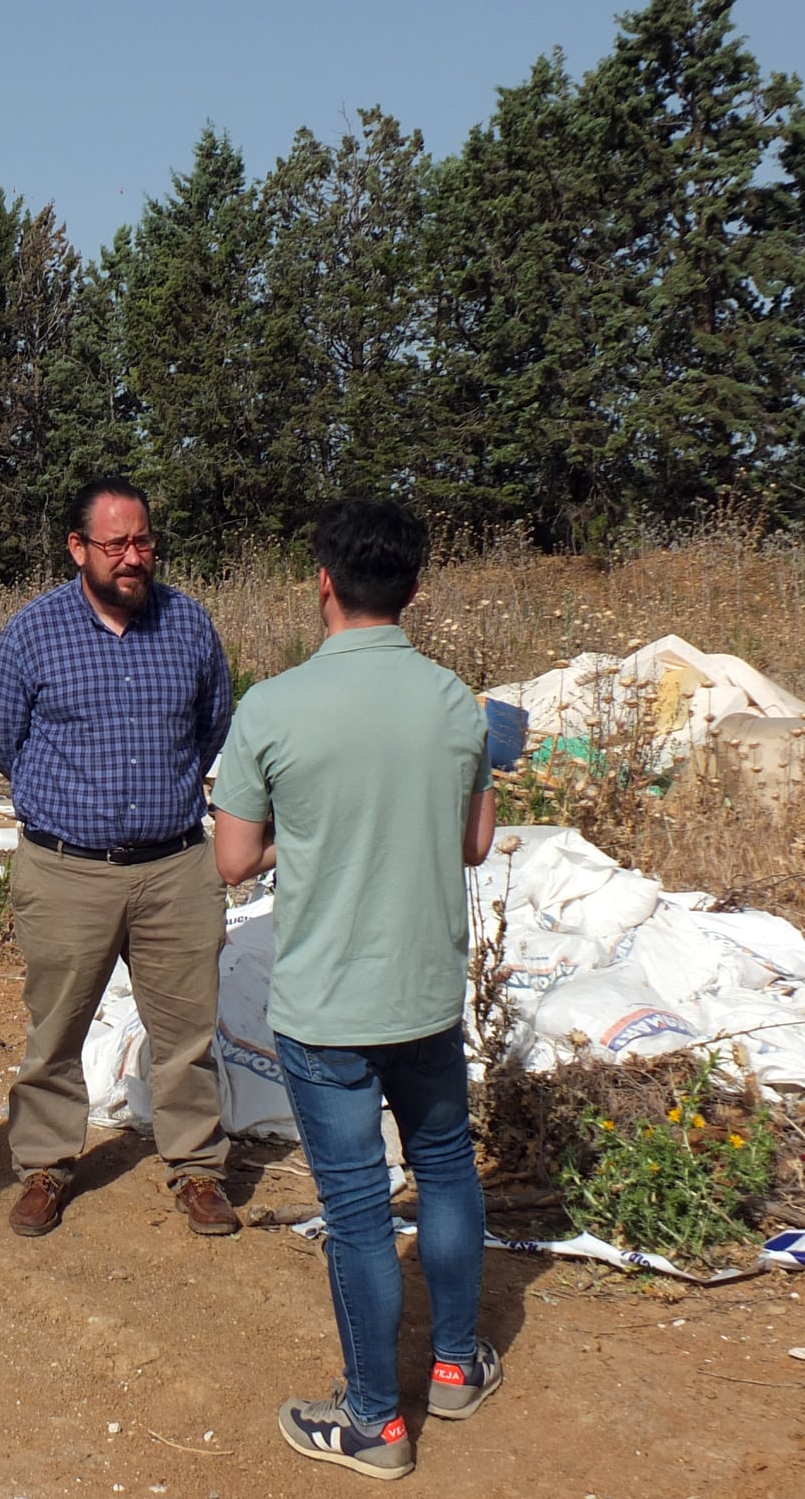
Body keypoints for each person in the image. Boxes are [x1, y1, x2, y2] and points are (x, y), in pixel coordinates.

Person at [208, 499, 501, 1481]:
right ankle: (455, 1364)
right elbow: (472, 842)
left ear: (321, 583)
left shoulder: (272, 709)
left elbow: (233, 861)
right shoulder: (455, 702)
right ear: (413, 588)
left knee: (357, 1203)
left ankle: (375, 1418)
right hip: (423, 990)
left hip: (327, 1004)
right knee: (447, 1169)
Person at [0, 477, 238, 1239]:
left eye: (143, 541)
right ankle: (47, 1166)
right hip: (67, 871)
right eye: (116, 544)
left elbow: (212, 723)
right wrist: (64, 799)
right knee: (55, 1029)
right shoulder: (32, 634)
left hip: (175, 869)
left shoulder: (187, 625)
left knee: (187, 1033)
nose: (133, 557)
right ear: (78, 548)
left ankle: (197, 1170)